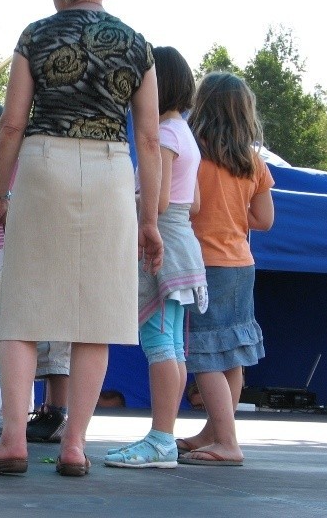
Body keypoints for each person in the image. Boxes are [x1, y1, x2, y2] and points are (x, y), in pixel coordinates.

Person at [0, 0, 164, 477]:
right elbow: (148, 139)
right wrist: (149, 220)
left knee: (22, 311)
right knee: (95, 315)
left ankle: (12, 442)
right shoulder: (137, 45)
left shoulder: (37, 35)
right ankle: (75, 444)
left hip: (44, 162)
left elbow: (10, 124)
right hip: (110, 170)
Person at [104, 46, 208, 469]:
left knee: (159, 342)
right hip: (184, 244)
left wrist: (121, 203)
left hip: (162, 247)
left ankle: (162, 438)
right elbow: (193, 203)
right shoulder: (184, 132)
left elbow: (159, 200)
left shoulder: (164, 134)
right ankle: (163, 434)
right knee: (173, 346)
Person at [176, 72, 274, 466]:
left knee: (204, 354)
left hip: (206, 264)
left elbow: (187, 203)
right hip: (241, 264)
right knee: (231, 353)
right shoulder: (253, 161)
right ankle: (214, 432)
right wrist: (235, 212)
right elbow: (264, 220)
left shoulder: (194, 151)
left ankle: (228, 442)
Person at [0, 101, 70, 443]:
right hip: (5, 258)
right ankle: (22, 408)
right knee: (13, 334)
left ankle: (57, 410)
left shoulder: (22, 165)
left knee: (52, 339)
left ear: (3, 132)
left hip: (34, 255)